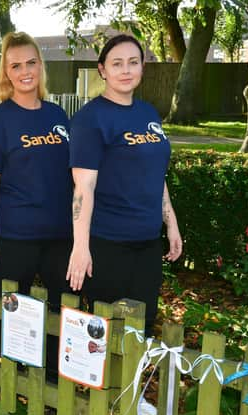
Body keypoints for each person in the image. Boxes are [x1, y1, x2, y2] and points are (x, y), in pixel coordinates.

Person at [66, 34, 183, 337]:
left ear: (142, 67)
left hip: (147, 242)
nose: (126, 70)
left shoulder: (147, 113)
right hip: (108, 244)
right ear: (102, 69)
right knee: (107, 330)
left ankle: (129, 385)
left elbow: (156, 173)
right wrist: (80, 247)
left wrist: (171, 223)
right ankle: (103, 387)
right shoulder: (90, 119)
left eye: (133, 62)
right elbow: (83, 189)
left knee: (140, 327)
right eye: (117, 63)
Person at [0, 32, 72, 376]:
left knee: (63, 310)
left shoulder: (58, 115)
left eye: (31, 63)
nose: (25, 71)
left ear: (40, 66)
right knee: (16, 312)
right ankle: (16, 382)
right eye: (16, 65)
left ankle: (55, 379)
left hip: (61, 235)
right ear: (6, 73)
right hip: (16, 235)